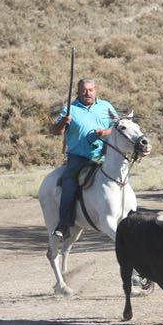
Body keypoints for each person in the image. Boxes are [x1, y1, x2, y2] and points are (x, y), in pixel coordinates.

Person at [50, 78, 119, 239]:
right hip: (78, 157)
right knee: (69, 183)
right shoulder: (69, 109)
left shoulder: (106, 106)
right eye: (84, 90)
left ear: (95, 90)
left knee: (123, 177)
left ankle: (129, 212)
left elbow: (117, 126)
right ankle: (64, 224)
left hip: (104, 156)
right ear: (78, 92)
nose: (87, 93)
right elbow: (54, 130)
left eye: (90, 90)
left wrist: (104, 132)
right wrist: (62, 122)